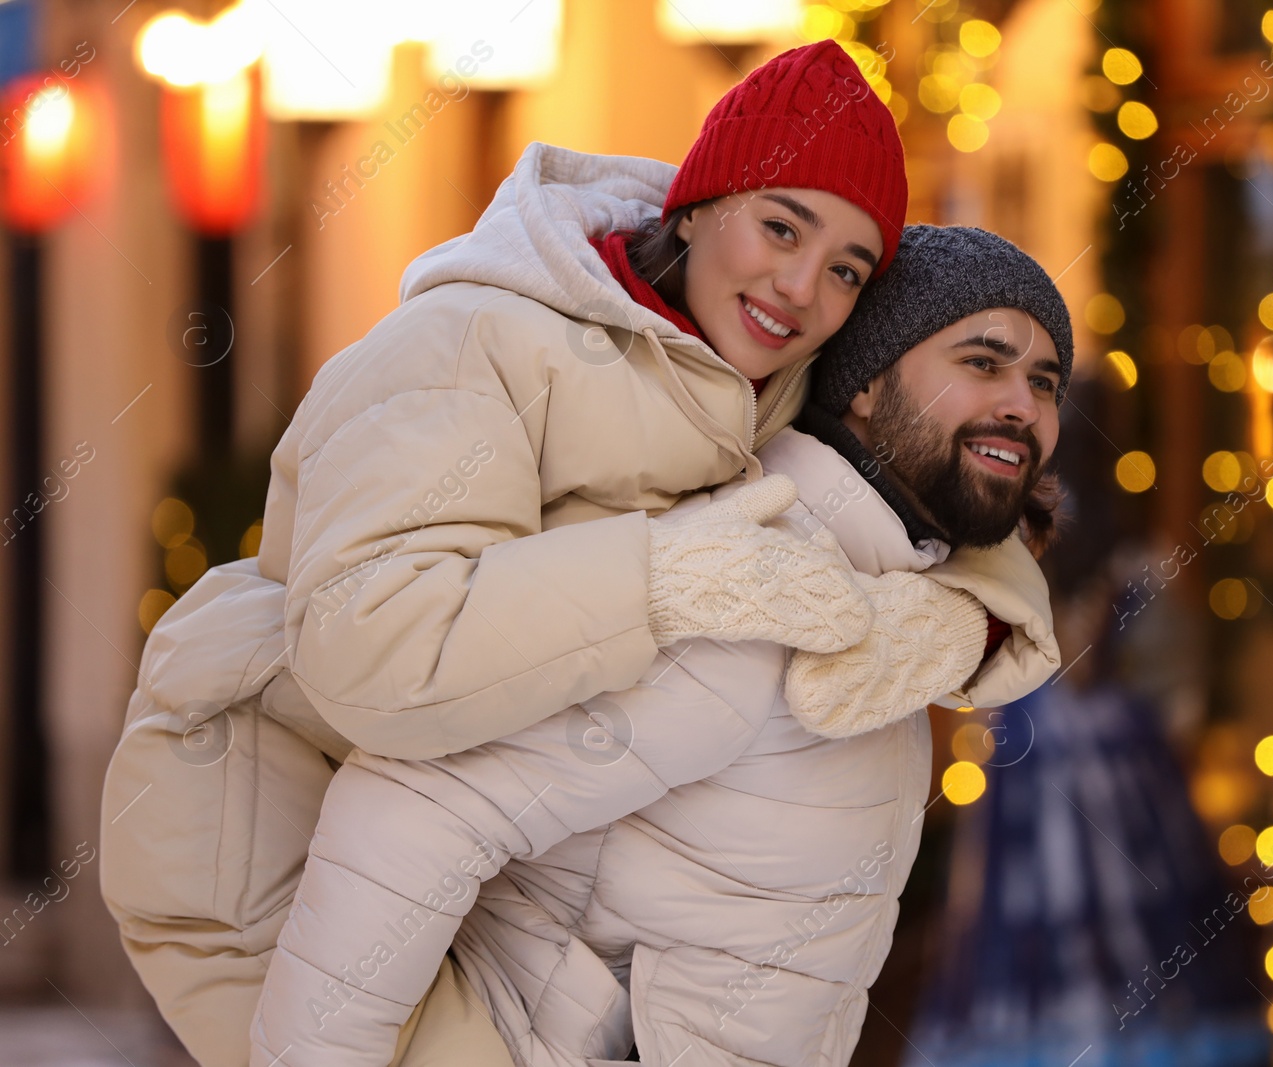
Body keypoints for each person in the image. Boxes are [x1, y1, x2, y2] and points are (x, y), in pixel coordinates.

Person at [97, 40, 998, 1067]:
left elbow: (940, 460)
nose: (800, 286)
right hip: (279, 867)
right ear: (697, 205)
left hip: (533, 940)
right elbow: (372, 646)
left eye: (845, 268)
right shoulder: (467, 345)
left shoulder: (767, 378)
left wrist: (966, 602)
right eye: (780, 225)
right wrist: (659, 578)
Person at [247, 225, 1075, 1067]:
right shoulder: (754, 583)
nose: (1023, 403)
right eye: (983, 362)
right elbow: (413, 812)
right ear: (864, 383)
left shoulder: (896, 589)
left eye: (1045, 381)